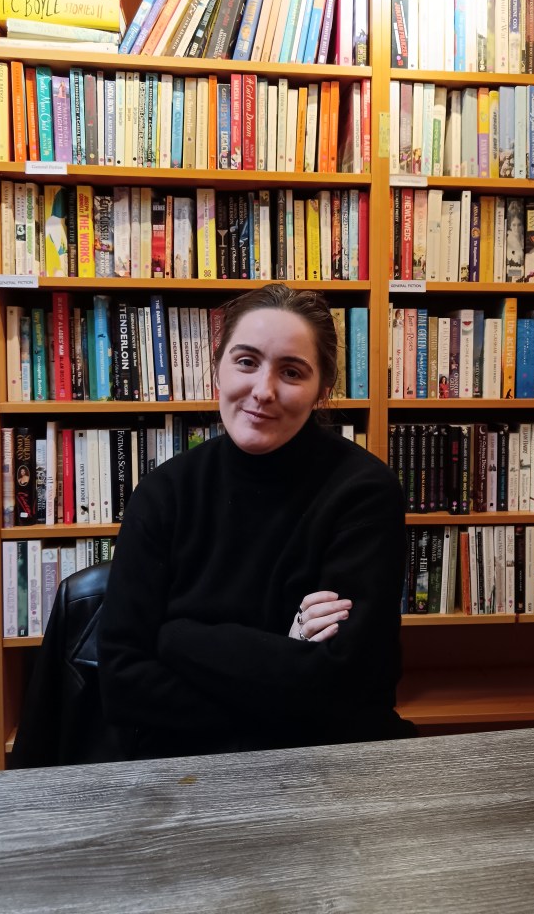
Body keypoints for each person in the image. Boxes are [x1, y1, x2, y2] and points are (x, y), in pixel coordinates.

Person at [98, 284, 414, 759]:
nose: (263, 391)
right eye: (246, 362)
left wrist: (178, 638)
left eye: (291, 372)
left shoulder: (363, 494)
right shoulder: (164, 493)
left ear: (321, 390)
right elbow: (122, 681)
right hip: (181, 768)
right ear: (219, 369)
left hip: (325, 767)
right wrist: (284, 660)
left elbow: (348, 686)